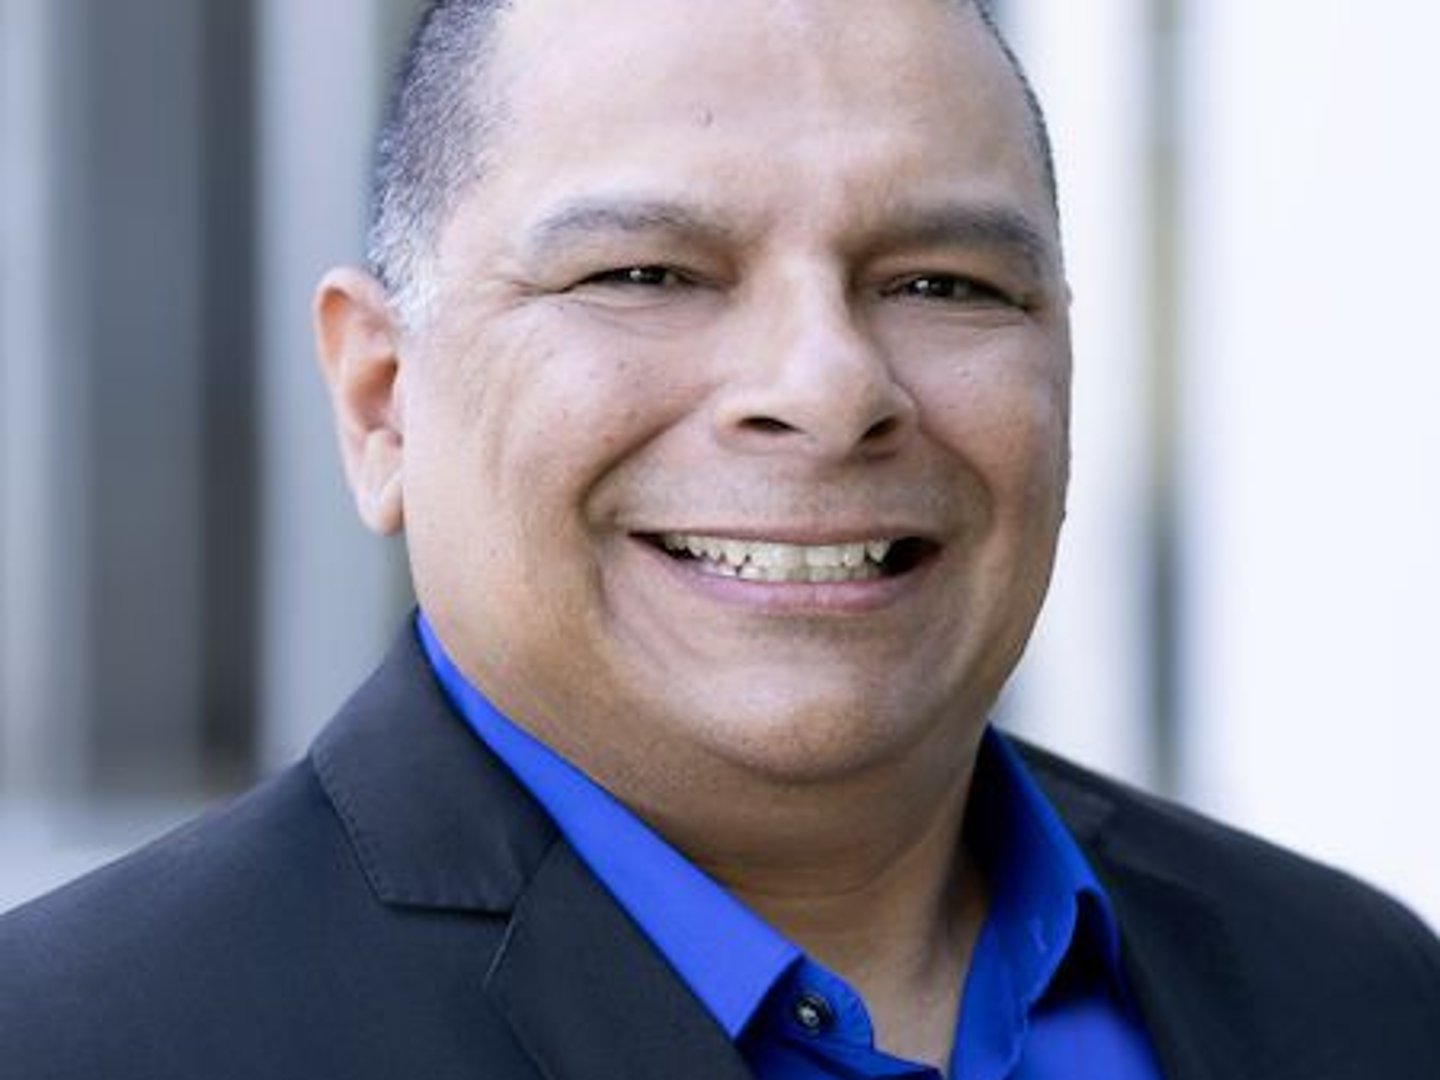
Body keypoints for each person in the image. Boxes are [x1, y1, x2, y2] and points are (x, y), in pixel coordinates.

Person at [2, 1, 1437, 1077]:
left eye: (943, 283)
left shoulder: (1361, 994)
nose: (827, 388)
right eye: (647, 273)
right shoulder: (78, 1041)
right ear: (382, 402)